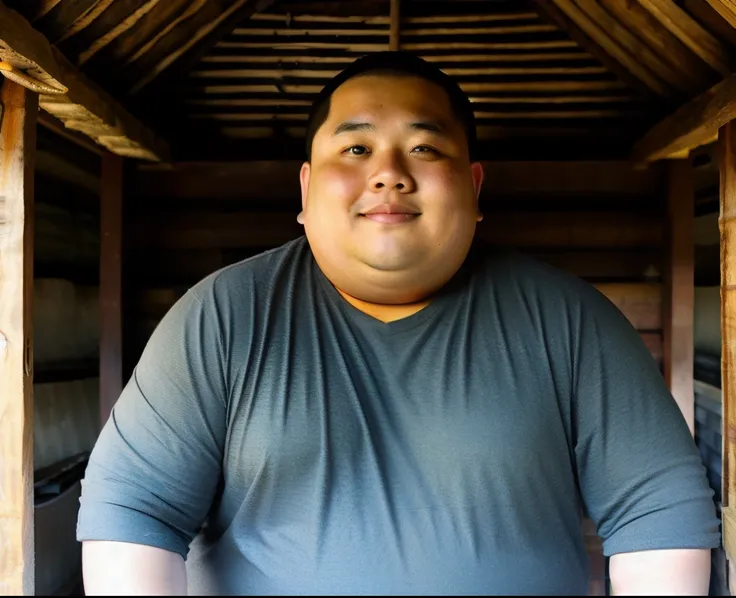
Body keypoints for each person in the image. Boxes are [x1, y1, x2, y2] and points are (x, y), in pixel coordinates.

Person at [77, 52, 720, 595]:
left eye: (423, 147)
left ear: (473, 187)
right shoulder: (220, 318)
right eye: (356, 147)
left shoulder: (573, 324)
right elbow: (134, 509)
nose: (388, 172)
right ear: (305, 190)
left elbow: (657, 512)